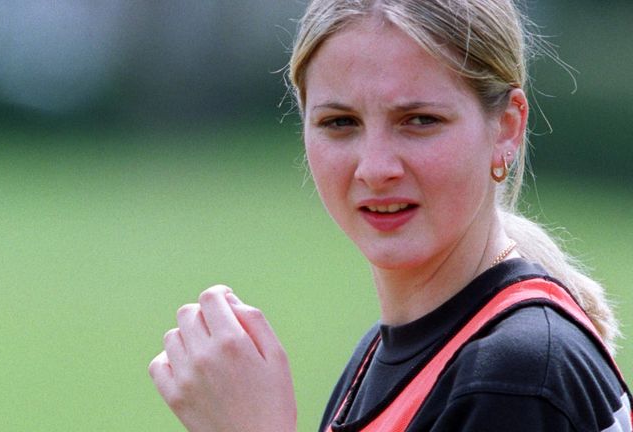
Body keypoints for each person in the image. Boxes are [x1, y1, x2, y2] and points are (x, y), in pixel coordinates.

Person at [148, 0, 632, 430]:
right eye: (340, 123)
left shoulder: (514, 376)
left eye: (420, 120)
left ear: (507, 127)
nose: (376, 168)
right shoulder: (387, 355)